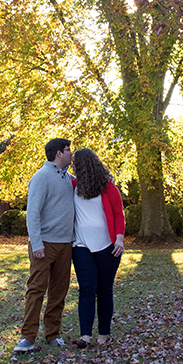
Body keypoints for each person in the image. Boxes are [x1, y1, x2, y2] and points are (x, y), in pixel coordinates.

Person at [16, 138, 75, 352]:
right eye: (69, 150)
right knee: (36, 290)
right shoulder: (41, 177)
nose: (71, 154)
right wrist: (37, 243)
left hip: (65, 244)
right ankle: (28, 338)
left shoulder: (69, 178)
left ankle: (53, 334)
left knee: (59, 292)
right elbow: (32, 213)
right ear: (59, 153)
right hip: (44, 245)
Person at [70, 148, 124, 349]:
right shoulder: (73, 186)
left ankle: (103, 334)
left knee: (104, 290)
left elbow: (119, 214)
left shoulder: (108, 188)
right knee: (86, 290)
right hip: (81, 246)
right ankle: (85, 335)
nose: (72, 166)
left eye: (75, 163)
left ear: (84, 166)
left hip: (107, 246)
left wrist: (119, 239)